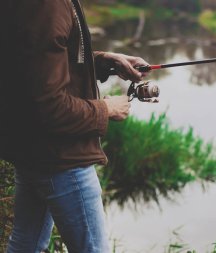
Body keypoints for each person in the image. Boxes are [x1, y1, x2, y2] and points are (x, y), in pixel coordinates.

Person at [0, 0, 150, 252]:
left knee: (26, 244)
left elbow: (39, 62)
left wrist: (105, 61)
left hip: (33, 150)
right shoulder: (47, 5)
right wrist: (106, 108)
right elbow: (49, 105)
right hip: (62, 159)